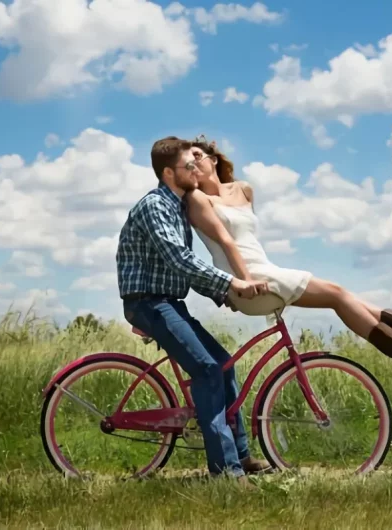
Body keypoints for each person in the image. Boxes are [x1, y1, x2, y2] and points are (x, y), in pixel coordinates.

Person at [183, 135, 392, 373]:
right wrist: (241, 282)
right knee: (337, 294)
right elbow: (227, 243)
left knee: (340, 294)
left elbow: (247, 239)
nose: (193, 164)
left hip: (264, 269)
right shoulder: (198, 199)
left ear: (213, 159)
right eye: (187, 162)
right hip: (247, 280)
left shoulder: (244, 190)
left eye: (197, 156)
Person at [115, 136, 272, 484]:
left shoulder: (177, 207)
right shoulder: (155, 206)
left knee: (224, 366)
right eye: (190, 165)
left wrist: (225, 295)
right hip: (148, 302)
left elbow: (183, 268)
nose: (196, 170)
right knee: (207, 371)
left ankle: (241, 455)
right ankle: (226, 472)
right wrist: (232, 284)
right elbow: (180, 259)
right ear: (170, 173)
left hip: (169, 302)